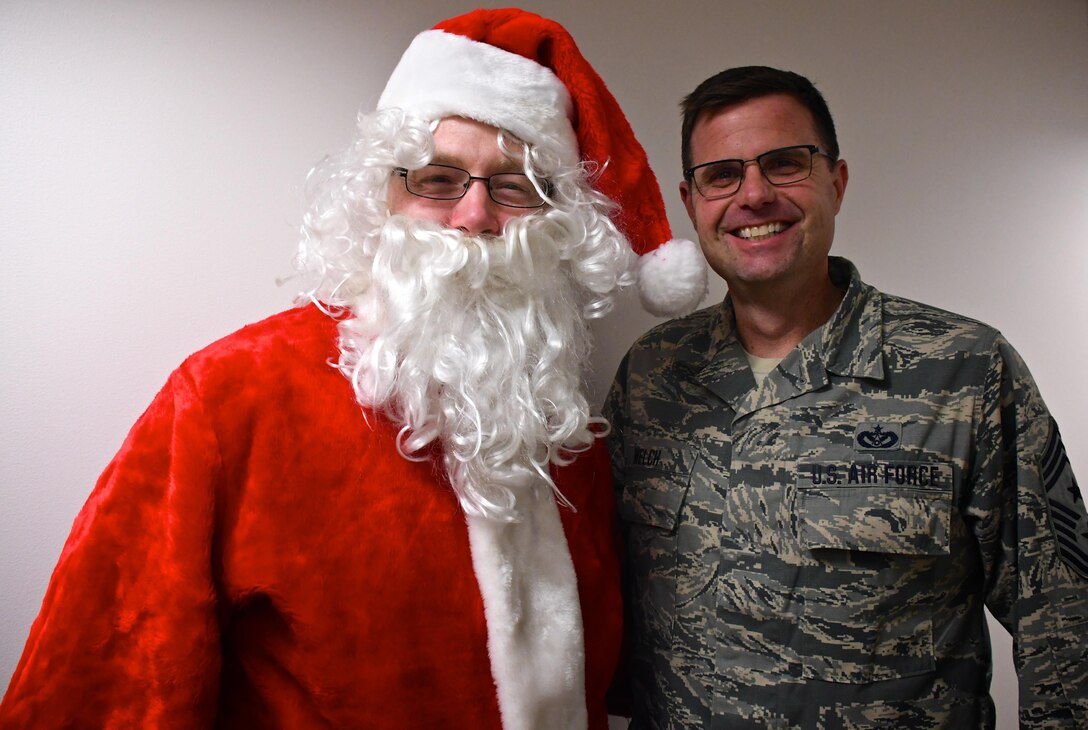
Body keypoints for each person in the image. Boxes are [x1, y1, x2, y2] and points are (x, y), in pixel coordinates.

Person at [0, 9, 707, 729]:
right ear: (382, 195)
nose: (473, 216)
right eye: (438, 178)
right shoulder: (232, 397)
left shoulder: (563, 426)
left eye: (514, 187)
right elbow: (106, 684)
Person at [604, 65, 1088, 728]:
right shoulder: (651, 378)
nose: (754, 194)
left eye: (784, 164)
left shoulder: (964, 372)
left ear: (837, 181)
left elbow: (1066, 625)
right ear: (692, 204)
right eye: (723, 175)